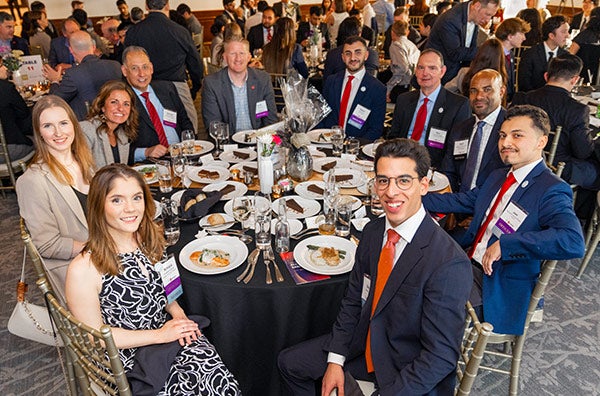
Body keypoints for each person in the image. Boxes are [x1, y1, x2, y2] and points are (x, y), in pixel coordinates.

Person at [278, 138, 473, 395]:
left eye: (404, 181)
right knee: (289, 364)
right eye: (383, 180)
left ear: (424, 185)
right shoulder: (373, 232)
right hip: (364, 343)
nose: (391, 192)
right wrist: (336, 360)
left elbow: (439, 358)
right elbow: (352, 301)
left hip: (405, 366)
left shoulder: (448, 262)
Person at [66, 163, 241, 395]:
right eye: (117, 200)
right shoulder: (84, 268)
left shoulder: (145, 239)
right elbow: (96, 337)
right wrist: (161, 335)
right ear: (99, 206)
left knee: (223, 385)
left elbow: (163, 287)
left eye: (136, 198)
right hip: (128, 361)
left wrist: (178, 314)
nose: (130, 209)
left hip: (164, 334)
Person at [423, 105, 585, 335]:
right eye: (502, 135)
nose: (505, 142)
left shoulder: (551, 190)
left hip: (494, 283)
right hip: (466, 260)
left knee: (425, 302)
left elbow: (573, 241)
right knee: (409, 270)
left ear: (541, 142)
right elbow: (462, 201)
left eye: (517, 135)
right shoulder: (499, 175)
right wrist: (411, 198)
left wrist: (507, 244)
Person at [16, 95, 94, 302]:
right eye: (48, 126)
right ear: (39, 133)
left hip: (103, 259)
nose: (58, 133)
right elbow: (47, 244)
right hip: (79, 275)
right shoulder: (32, 181)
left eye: (63, 123)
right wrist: (97, 248)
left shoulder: (85, 163)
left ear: (74, 126)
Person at [512, 53, 600, 191]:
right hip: (557, 168)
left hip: (521, 159)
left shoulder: (523, 99)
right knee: (595, 169)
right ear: (574, 80)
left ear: (546, 76)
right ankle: (579, 209)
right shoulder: (577, 109)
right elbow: (583, 152)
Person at [124, 0, 203, 134]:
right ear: (167, 5)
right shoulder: (180, 31)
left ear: (146, 7)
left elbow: (127, 61)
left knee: (150, 130)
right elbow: (195, 63)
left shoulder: (134, 32)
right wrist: (195, 87)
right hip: (177, 85)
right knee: (189, 128)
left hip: (145, 86)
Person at [389, 49, 471, 168]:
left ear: (442, 72)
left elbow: (457, 151)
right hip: (401, 162)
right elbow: (393, 136)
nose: (425, 73)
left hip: (434, 168)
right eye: (421, 68)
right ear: (416, 71)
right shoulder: (404, 100)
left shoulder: (458, 105)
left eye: (432, 68)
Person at [121, 46, 192, 162]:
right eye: (134, 68)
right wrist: (146, 152)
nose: (142, 74)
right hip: (150, 164)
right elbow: (118, 148)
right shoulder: (123, 100)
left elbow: (184, 121)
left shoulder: (167, 88)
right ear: (125, 71)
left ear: (151, 68)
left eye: (145, 67)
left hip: (182, 156)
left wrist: (188, 145)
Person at [442, 69, 507, 192]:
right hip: (457, 201)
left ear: (501, 92)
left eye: (487, 89)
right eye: (473, 91)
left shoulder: (513, 129)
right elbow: (448, 172)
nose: (479, 96)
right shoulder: (460, 129)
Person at [202, 39, 278, 134]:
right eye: (233, 54)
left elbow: (270, 120)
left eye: (242, 53)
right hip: (228, 143)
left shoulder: (263, 80)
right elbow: (213, 124)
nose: (238, 58)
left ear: (249, 57)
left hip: (258, 140)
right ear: (225, 57)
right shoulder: (212, 84)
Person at [44, 31, 122, 121]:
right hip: (116, 119)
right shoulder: (116, 66)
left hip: (88, 124)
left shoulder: (73, 74)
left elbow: (54, 101)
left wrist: (54, 81)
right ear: (93, 47)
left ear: (71, 50)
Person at [320, 36, 386, 141]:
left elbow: (376, 129)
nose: (353, 58)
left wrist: (353, 147)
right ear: (342, 57)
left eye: (358, 52)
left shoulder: (377, 88)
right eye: (348, 53)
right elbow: (322, 116)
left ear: (366, 55)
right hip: (328, 144)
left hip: (357, 148)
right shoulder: (331, 81)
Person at [427, 0, 500, 84]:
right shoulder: (451, 19)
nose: (488, 20)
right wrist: (485, 50)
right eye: (487, 14)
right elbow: (455, 53)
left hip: (455, 76)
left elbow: (470, 49)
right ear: (477, 6)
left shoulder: (474, 17)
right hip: (438, 78)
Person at [80, 81, 138, 168]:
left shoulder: (122, 134)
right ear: (102, 106)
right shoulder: (87, 130)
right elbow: (84, 171)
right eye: (114, 102)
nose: (121, 108)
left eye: (126, 104)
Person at [517, 15, 570, 92]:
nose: (568, 35)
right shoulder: (530, 54)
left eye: (568, 31)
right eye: (563, 32)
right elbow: (524, 85)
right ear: (551, 35)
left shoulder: (566, 56)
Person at [0, 59, 34, 163]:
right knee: (44, 139)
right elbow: (24, 113)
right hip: (9, 150)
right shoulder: (5, 88)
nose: (5, 68)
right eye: (1, 65)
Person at [494, 17, 530, 102]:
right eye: (521, 34)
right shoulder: (494, 53)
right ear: (510, 36)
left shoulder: (511, 54)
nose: (524, 38)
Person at [386, 20, 420, 103]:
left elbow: (401, 68)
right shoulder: (412, 45)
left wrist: (388, 89)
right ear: (407, 32)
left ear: (392, 32)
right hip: (412, 85)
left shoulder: (396, 45)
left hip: (400, 88)